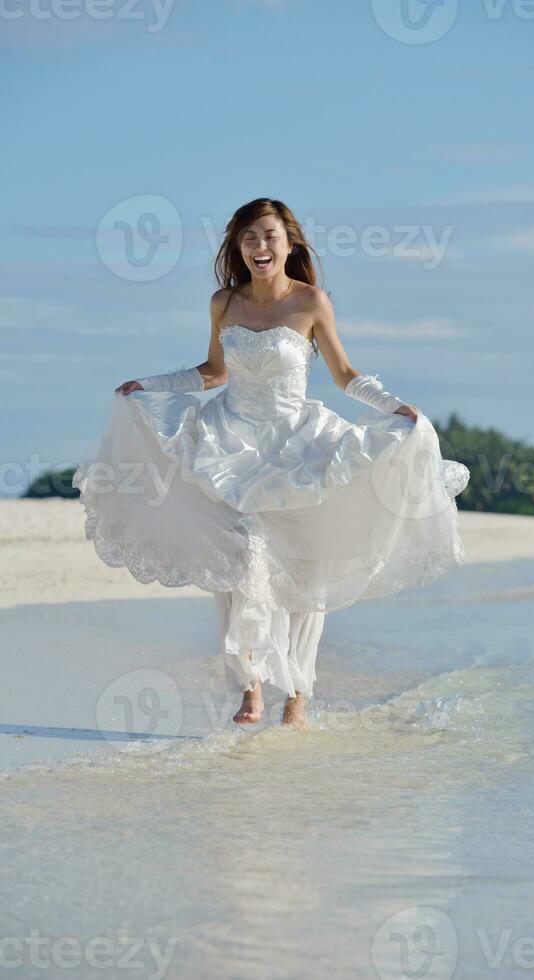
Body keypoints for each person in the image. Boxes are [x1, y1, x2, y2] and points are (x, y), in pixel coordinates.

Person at [73, 197, 470, 731]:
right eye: (249, 238)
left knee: (306, 565)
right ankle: (251, 686)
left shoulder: (311, 302)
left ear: (290, 244)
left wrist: (394, 408)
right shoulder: (224, 302)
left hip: (298, 442)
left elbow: (344, 374)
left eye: (269, 236)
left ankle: (298, 692)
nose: (260, 246)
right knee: (240, 558)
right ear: (239, 248)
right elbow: (213, 372)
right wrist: (151, 386)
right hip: (230, 440)